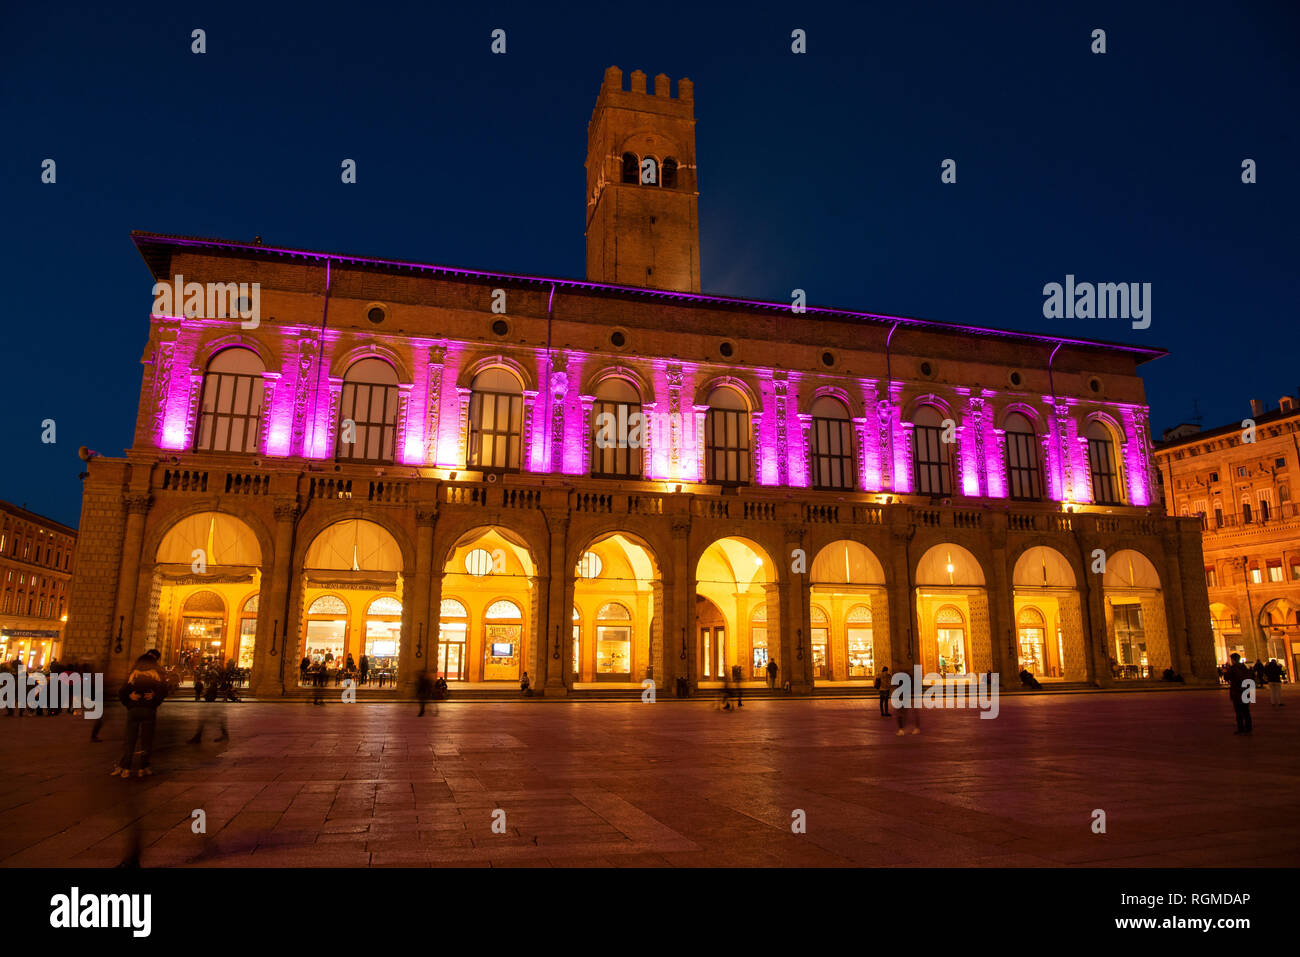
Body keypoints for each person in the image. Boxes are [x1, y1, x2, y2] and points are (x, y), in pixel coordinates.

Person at [113, 654, 168, 777]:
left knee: (130, 740)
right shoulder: (156, 675)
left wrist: (129, 701)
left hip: (134, 710)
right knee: (146, 740)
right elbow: (163, 691)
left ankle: (126, 768)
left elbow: (122, 692)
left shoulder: (133, 674)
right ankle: (143, 767)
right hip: (149, 710)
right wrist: (154, 701)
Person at [1225, 653, 1253, 734]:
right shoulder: (1245, 667)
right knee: (1246, 711)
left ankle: (1240, 728)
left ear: (1233, 660)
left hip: (1237, 692)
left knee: (1239, 711)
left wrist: (1226, 671)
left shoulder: (1233, 668)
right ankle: (1248, 727)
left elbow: (1227, 677)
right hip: (1246, 691)